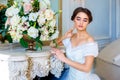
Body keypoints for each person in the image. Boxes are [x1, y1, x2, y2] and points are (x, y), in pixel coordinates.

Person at [50, 7, 100, 80]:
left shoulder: (89, 40)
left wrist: (64, 59)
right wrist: (65, 36)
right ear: (74, 19)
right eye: (78, 19)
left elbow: (86, 68)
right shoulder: (71, 36)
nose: (81, 23)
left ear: (88, 23)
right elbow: (51, 44)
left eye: (85, 20)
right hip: (70, 76)